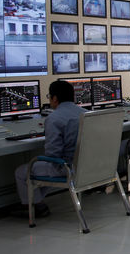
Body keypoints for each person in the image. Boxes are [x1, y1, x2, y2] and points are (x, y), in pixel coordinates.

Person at [13, 80, 86, 217]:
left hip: (68, 168)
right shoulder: (87, 113)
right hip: (88, 166)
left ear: (54, 98)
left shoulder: (54, 118)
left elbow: (53, 154)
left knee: (22, 171)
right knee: (44, 168)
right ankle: (37, 202)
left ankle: (33, 205)